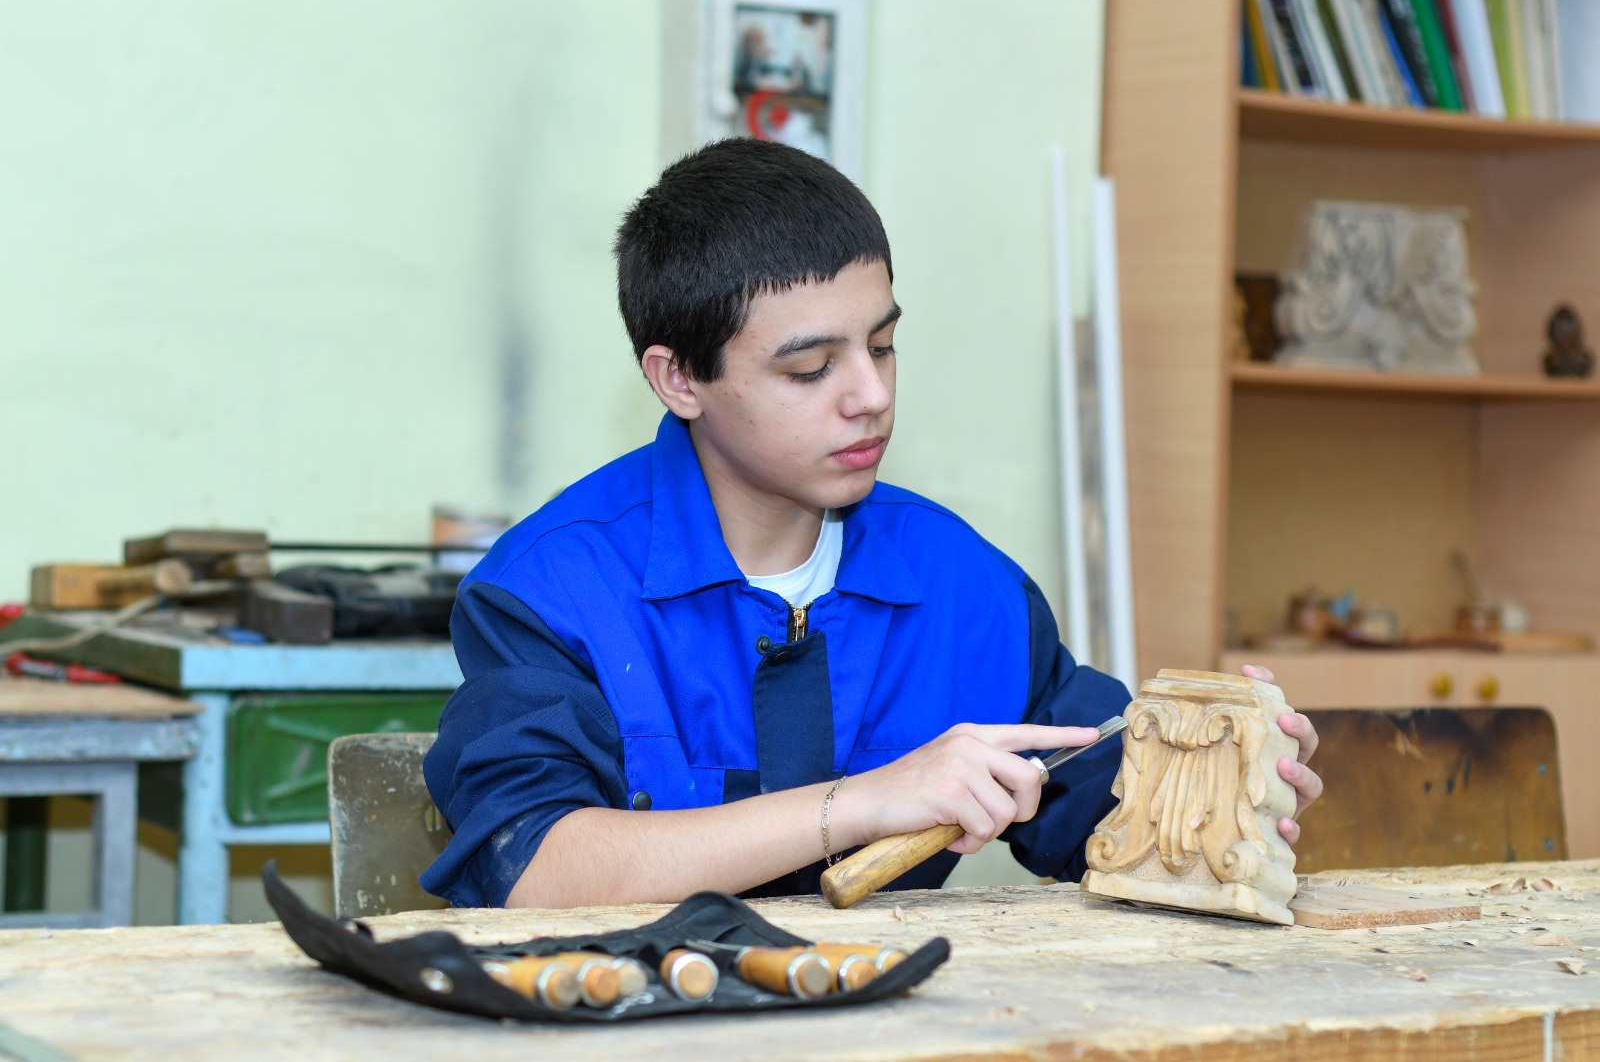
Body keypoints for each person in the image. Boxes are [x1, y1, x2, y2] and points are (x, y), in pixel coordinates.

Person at [421, 138, 1322, 909]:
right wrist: (862, 803)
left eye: (883, 345)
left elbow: (1098, 794)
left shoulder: (964, 585)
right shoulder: (552, 592)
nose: (873, 396)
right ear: (678, 380)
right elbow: (529, 868)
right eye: (812, 369)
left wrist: (1225, 785)